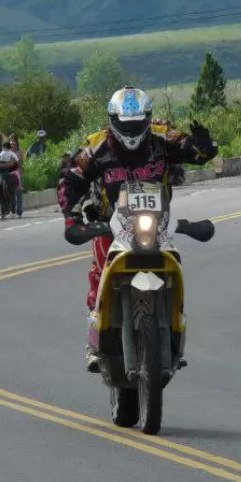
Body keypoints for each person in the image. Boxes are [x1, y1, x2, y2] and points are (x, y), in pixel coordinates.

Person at [57, 86, 218, 372]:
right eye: (125, 125)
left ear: (148, 119)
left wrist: (204, 146)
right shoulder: (94, 146)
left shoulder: (162, 135)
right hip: (111, 223)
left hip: (158, 222)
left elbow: (191, 150)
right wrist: (72, 219)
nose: (131, 131)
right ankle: (93, 344)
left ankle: (173, 327)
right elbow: (71, 180)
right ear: (112, 121)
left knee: (175, 264)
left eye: (137, 124)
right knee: (98, 272)